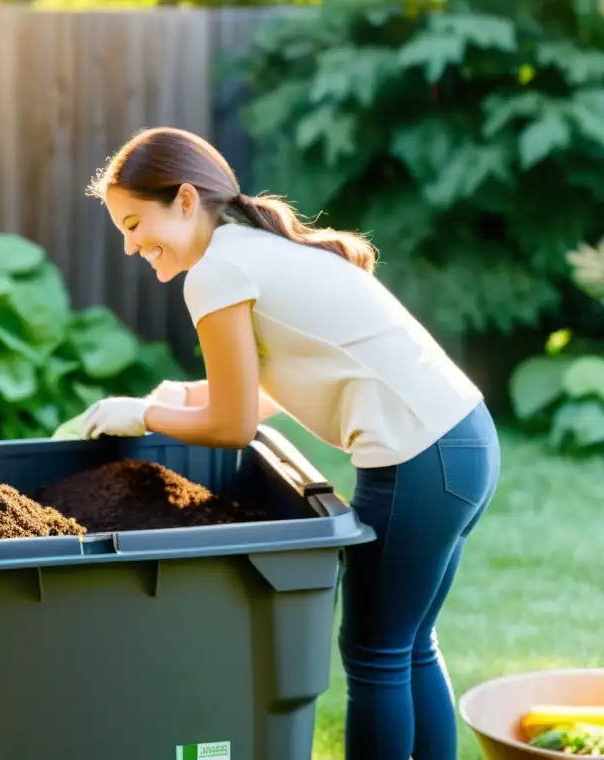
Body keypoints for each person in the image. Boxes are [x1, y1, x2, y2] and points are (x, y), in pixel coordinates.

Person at [79, 126, 500, 760]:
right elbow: (265, 391)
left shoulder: (217, 271)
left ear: (186, 200)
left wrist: (143, 414)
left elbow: (234, 426)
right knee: (408, 646)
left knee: (376, 655)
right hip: (463, 442)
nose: (133, 245)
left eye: (136, 224)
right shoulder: (257, 249)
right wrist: (181, 397)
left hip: (420, 459)